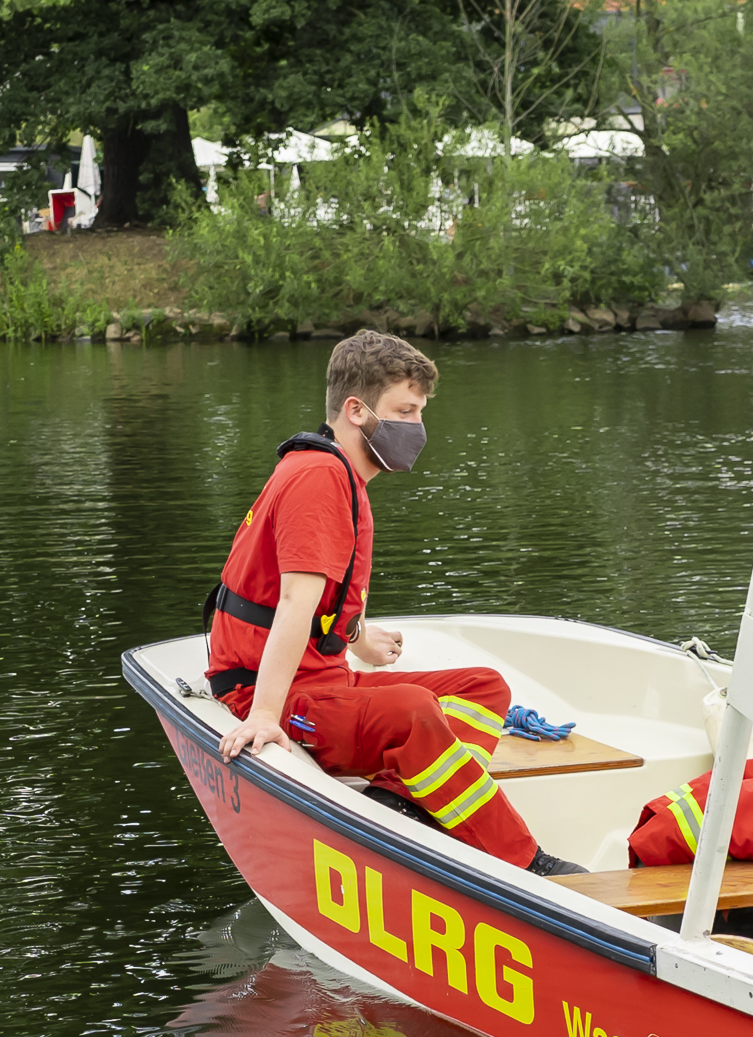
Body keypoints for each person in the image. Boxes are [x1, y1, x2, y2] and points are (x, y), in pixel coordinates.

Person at [205, 330, 582, 875]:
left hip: (322, 677)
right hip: (275, 693)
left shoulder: (334, 473)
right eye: (404, 410)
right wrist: (263, 715)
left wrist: (357, 638)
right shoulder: (319, 478)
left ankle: (403, 803)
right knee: (412, 712)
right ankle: (524, 864)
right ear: (356, 411)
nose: (416, 428)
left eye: (420, 412)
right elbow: (292, 601)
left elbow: (322, 601)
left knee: (483, 687)